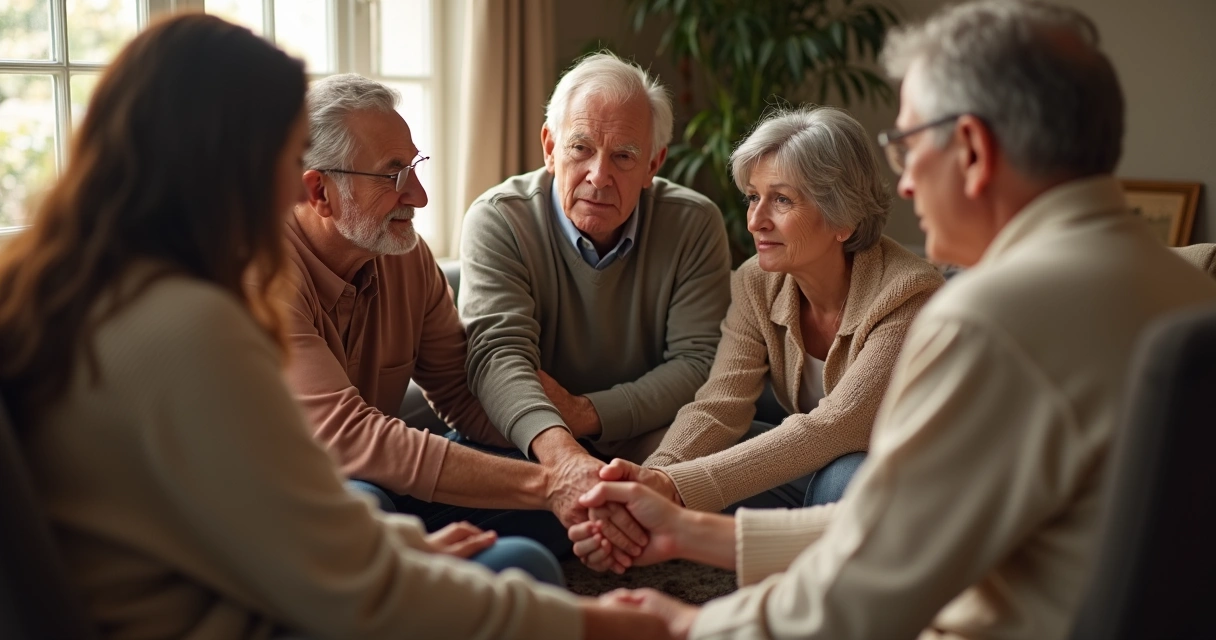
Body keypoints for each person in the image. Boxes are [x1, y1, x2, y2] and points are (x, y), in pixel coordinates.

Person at [0, 15, 668, 639]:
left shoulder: (99, 286)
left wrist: (568, 468)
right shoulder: (192, 320)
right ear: (220, 166)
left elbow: (241, 504)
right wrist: (604, 626)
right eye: (283, 162)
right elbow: (338, 554)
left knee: (517, 550)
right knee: (519, 566)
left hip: (258, 564)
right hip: (242, 599)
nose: (294, 193)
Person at [580, 1, 1216, 638]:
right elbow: (918, 522)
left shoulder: (988, 320)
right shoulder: (1185, 289)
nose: (904, 185)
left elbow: (866, 595)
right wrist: (687, 524)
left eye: (908, 145)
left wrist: (688, 628)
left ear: (970, 148)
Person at [270, 73, 611, 557]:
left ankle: (432, 574)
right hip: (279, 505)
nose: (420, 196)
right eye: (394, 176)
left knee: (578, 507)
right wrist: (548, 483)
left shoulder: (404, 256)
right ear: (320, 192)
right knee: (363, 504)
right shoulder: (261, 271)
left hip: (378, 486)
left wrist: (572, 461)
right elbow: (349, 437)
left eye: (415, 168)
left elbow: (461, 391)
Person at [459, 51, 732, 566]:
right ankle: (622, 525)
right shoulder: (499, 218)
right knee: (468, 488)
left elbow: (699, 365)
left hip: (654, 441)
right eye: (580, 148)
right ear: (549, 146)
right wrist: (565, 460)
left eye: (624, 156)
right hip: (532, 443)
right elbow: (498, 359)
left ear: (654, 163)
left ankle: (610, 521)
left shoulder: (694, 223)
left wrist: (587, 415)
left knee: (747, 461)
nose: (598, 175)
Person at [616, 106, 943, 526]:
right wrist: (654, 477)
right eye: (754, 197)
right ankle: (782, 536)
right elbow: (721, 405)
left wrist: (674, 490)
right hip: (817, 463)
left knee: (844, 479)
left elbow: (837, 427)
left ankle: (796, 546)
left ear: (842, 217)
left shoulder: (908, 294)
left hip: (905, 486)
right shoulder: (756, 281)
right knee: (664, 444)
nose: (755, 220)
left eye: (782, 200)